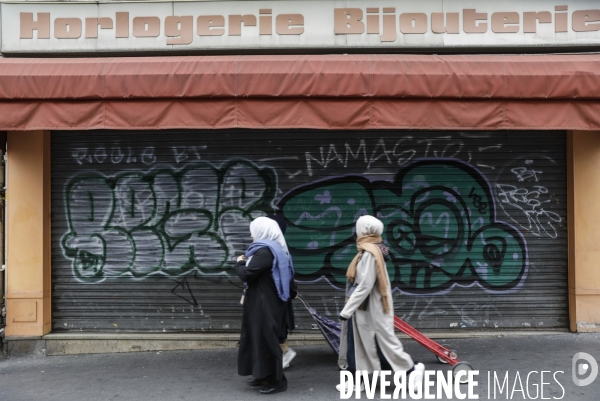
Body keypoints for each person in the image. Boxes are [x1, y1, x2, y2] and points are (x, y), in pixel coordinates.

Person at [337, 215, 425, 393]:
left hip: (369, 308)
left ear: (364, 230)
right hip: (363, 308)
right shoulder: (371, 248)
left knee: (381, 344)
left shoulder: (370, 252)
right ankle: (358, 379)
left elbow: (365, 284)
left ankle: (411, 369)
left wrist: (347, 310)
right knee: (359, 344)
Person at [235, 217, 294, 395]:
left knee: (267, 340)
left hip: (264, 303)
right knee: (257, 338)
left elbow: (247, 274)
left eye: (253, 230)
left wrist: (238, 263)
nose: (251, 234)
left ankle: (278, 380)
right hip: (263, 301)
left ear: (262, 230)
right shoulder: (275, 248)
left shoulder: (265, 251)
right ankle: (262, 374)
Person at [267, 214, 298, 369]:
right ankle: (282, 354)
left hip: (275, 295)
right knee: (279, 326)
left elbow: (286, 274)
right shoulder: (280, 246)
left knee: (277, 326)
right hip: (281, 294)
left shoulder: (273, 249)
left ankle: (284, 353)